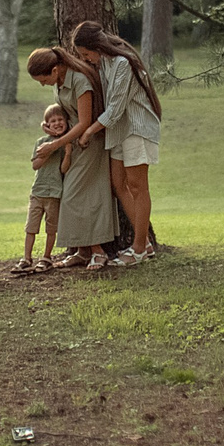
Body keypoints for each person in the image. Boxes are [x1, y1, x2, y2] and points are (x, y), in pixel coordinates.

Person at [72, 19, 162, 265]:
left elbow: (116, 108)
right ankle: (145, 244)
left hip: (136, 127)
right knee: (117, 184)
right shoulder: (104, 65)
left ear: (96, 46)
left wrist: (89, 131)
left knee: (137, 186)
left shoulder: (123, 64)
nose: (86, 58)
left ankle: (139, 249)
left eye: (86, 53)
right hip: (118, 132)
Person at [26, 43, 117, 269]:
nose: (42, 84)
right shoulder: (59, 83)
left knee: (76, 196)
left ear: (55, 70)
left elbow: (85, 121)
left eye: (43, 79)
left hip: (88, 142)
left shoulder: (80, 81)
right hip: (71, 142)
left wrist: (53, 145)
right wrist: (51, 130)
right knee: (71, 195)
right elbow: (64, 115)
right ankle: (83, 250)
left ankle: (99, 250)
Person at [14, 102, 70, 274]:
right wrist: (48, 150)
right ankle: (26, 258)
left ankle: (46, 257)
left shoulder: (64, 144)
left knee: (51, 228)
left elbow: (64, 169)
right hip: (38, 192)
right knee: (31, 227)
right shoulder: (41, 142)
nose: (57, 123)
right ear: (46, 124)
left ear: (67, 122)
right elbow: (35, 165)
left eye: (60, 119)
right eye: (52, 121)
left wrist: (67, 152)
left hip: (55, 192)